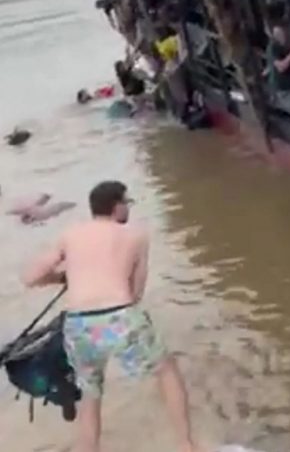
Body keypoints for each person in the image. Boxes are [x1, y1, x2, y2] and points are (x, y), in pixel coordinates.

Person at [22, 181, 203, 452]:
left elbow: (30, 277)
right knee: (167, 371)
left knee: (90, 396)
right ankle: (186, 445)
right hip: (119, 318)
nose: (128, 208)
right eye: (126, 203)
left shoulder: (70, 235)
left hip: (78, 325)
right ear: (116, 206)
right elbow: (136, 292)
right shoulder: (136, 236)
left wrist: (63, 277)